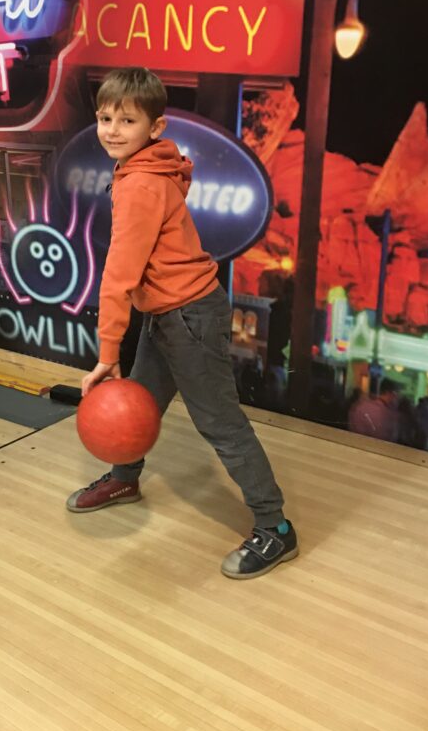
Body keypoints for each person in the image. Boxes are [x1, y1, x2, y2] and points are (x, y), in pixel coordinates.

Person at [66, 68, 297, 580]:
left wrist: (107, 356)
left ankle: (275, 527)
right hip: (169, 312)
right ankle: (126, 478)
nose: (112, 130)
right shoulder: (147, 165)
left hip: (188, 315)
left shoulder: (141, 184)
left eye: (127, 120)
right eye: (105, 118)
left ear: (155, 127)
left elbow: (119, 275)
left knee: (220, 424)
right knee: (142, 403)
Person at [347, 378, 400, 444]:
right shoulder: (385, 413)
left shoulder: (360, 406)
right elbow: (386, 438)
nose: (397, 397)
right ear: (388, 393)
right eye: (396, 393)